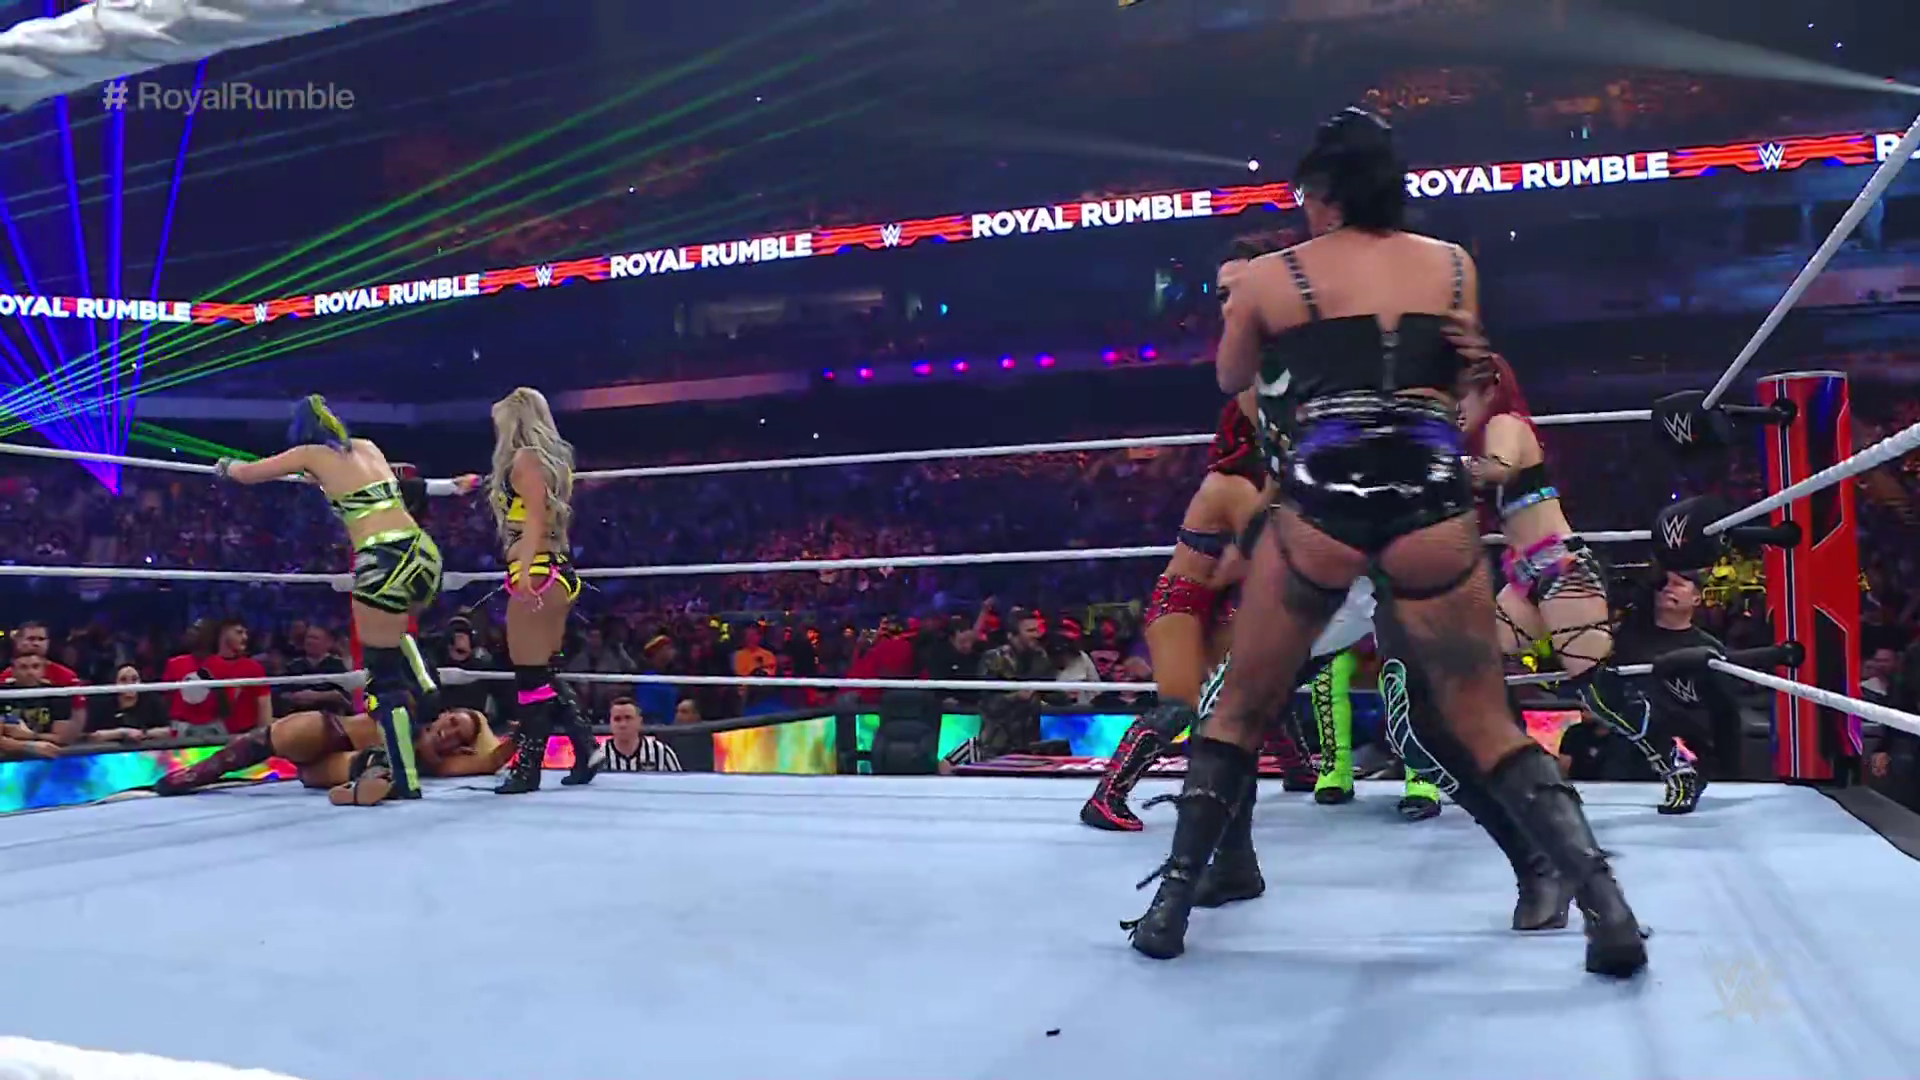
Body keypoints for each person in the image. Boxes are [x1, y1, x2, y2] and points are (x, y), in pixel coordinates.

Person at [1126, 107, 1643, 978]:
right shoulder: (1453, 267)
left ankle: (1169, 907)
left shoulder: (1273, 282)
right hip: (1429, 498)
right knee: (1478, 714)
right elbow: (1462, 387)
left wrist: (1255, 318)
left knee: (1241, 704)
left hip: (1325, 504)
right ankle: (1609, 907)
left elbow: (1229, 374)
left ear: (1319, 193)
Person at [1080, 234, 1317, 833]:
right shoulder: (1228, 486)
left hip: (1233, 596)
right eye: (1222, 294)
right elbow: (1265, 546)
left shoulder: (1279, 412)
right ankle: (1106, 795)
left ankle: (1298, 768)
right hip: (1186, 601)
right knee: (1183, 704)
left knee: (1262, 675)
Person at [1458, 355, 1700, 815]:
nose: (1456, 408)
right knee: (1477, 663)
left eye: (1461, 396)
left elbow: (1497, 468)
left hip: (1564, 569)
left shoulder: (1505, 423)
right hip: (1526, 574)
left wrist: (1436, 464)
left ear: (1488, 389)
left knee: (1596, 691)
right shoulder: (1487, 432)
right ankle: (1517, 771)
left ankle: (1678, 763)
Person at [215, 395, 450, 804]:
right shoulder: (369, 447)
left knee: (382, 678)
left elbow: (249, 473)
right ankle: (426, 681)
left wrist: (225, 467)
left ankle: (405, 777)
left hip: (381, 560)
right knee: (392, 633)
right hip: (423, 552)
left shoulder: (309, 453)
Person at [486, 387, 596, 793]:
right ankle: (585, 747)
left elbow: (534, 518)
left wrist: (525, 576)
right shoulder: (553, 463)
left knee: (529, 677)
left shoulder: (526, 460)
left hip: (536, 572)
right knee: (542, 671)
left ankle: (528, 769)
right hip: (553, 569)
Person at [154, 705, 510, 796]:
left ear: (461, 747)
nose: (449, 732)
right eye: (453, 721)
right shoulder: (412, 706)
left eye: (458, 735)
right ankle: (202, 772)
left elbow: (492, 760)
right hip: (334, 732)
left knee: (376, 760)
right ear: (444, 714)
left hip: (338, 767)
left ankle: (369, 778)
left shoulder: (438, 763)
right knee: (288, 733)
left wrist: (530, 724)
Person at [87, 664, 174, 743]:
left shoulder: (154, 701)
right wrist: (123, 733)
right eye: (123, 680)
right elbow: (92, 736)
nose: (129, 684)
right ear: (115, 683)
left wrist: (143, 733)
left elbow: (168, 731)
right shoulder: (102, 705)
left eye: (134, 679)